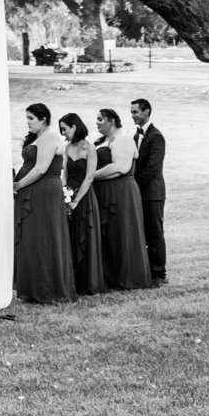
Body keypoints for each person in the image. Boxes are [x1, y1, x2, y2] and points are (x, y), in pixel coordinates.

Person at [12, 103, 74, 303]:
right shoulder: (39, 138)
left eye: (31, 118)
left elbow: (40, 168)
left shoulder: (52, 137)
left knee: (43, 238)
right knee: (31, 239)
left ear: (43, 119)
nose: (27, 122)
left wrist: (18, 184)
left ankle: (47, 288)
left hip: (44, 193)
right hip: (33, 191)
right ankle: (31, 287)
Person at [92, 107, 155, 290]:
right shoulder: (102, 141)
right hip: (104, 191)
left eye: (100, 119)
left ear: (111, 121)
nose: (96, 122)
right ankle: (110, 275)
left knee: (122, 231)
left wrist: (91, 176)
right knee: (109, 234)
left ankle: (127, 277)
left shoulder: (124, 139)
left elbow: (121, 167)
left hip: (121, 192)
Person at [59, 113, 105, 295]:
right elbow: (65, 174)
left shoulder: (89, 147)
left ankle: (89, 282)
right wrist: (65, 194)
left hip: (85, 197)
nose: (63, 133)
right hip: (69, 195)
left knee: (85, 235)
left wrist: (77, 200)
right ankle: (74, 281)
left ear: (74, 127)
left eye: (65, 129)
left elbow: (89, 177)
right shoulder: (67, 147)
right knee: (71, 236)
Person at [131, 97, 168, 284]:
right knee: (143, 232)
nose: (132, 116)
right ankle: (146, 270)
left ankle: (159, 274)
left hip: (152, 193)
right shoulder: (136, 136)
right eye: (131, 112)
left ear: (146, 112)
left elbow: (153, 168)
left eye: (135, 112)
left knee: (154, 233)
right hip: (139, 192)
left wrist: (134, 184)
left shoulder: (156, 137)